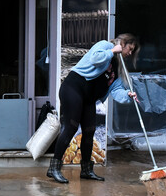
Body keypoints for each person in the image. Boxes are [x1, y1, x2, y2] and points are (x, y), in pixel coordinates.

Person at [47, 33, 140, 184]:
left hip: (88, 98)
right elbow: (94, 59)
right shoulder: (105, 46)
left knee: (90, 131)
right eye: (130, 48)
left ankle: (86, 170)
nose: (130, 53)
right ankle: (54, 167)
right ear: (122, 43)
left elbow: (115, 90)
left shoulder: (118, 68)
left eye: (132, 51)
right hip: (73, 89)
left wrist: (127, 94)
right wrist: (112, 51)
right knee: (71, 128)